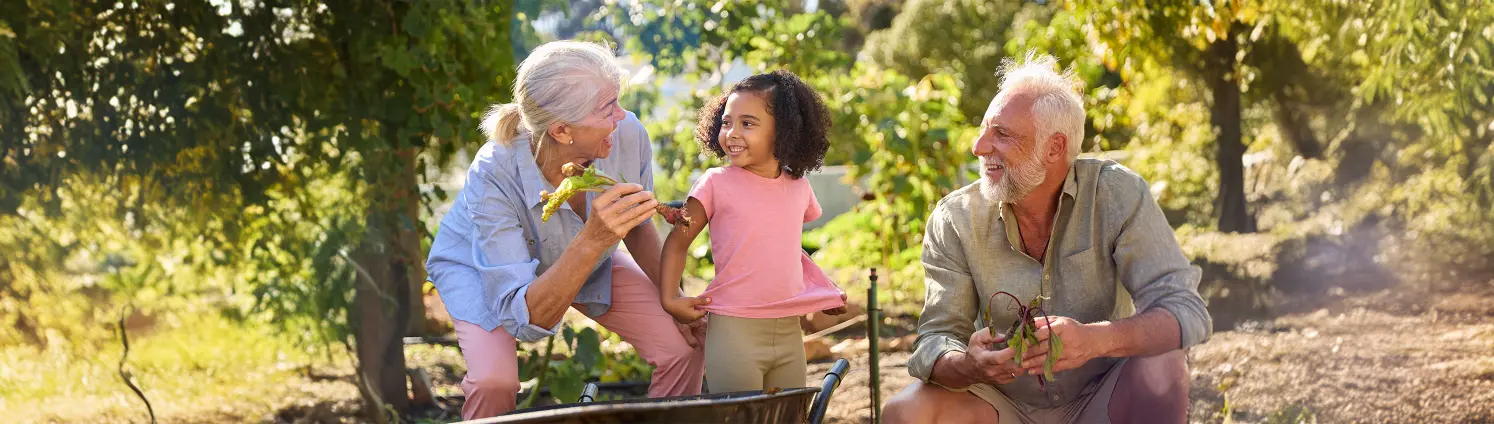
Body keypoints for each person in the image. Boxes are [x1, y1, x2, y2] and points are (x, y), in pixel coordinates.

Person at [881, 51, 1213, 424]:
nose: (979, 147)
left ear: (1054, 147)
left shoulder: (1116, 194)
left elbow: (1186, 311)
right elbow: (935, 339)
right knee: (905, 411)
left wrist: (1095, 341)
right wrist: (968, 364)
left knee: (1165, 365)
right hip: (999, 407)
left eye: (1002, 134)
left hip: (1103, 399)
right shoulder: (955, 218)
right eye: (984, 130)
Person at [425, 40, 705, 420]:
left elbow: (638, 225)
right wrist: (592, 240)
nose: (622, 115)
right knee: (495, 381)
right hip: (482, 267)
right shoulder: (494, 172)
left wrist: (673, 299)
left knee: (683, 345)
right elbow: (526, 320)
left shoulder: (626, 134)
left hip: (585, 252)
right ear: (561, 130)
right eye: (608, 108)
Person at [657, 70, 848, 393]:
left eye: (747, 123)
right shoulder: (715, 184)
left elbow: (784, 249)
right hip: (735, 332)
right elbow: (677, 243)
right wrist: (669, 298)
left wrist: (823, 290)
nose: (731, 133)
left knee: (787, 417)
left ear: (785, 131)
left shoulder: (798, 186)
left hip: (789, 332)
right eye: (726, 122)